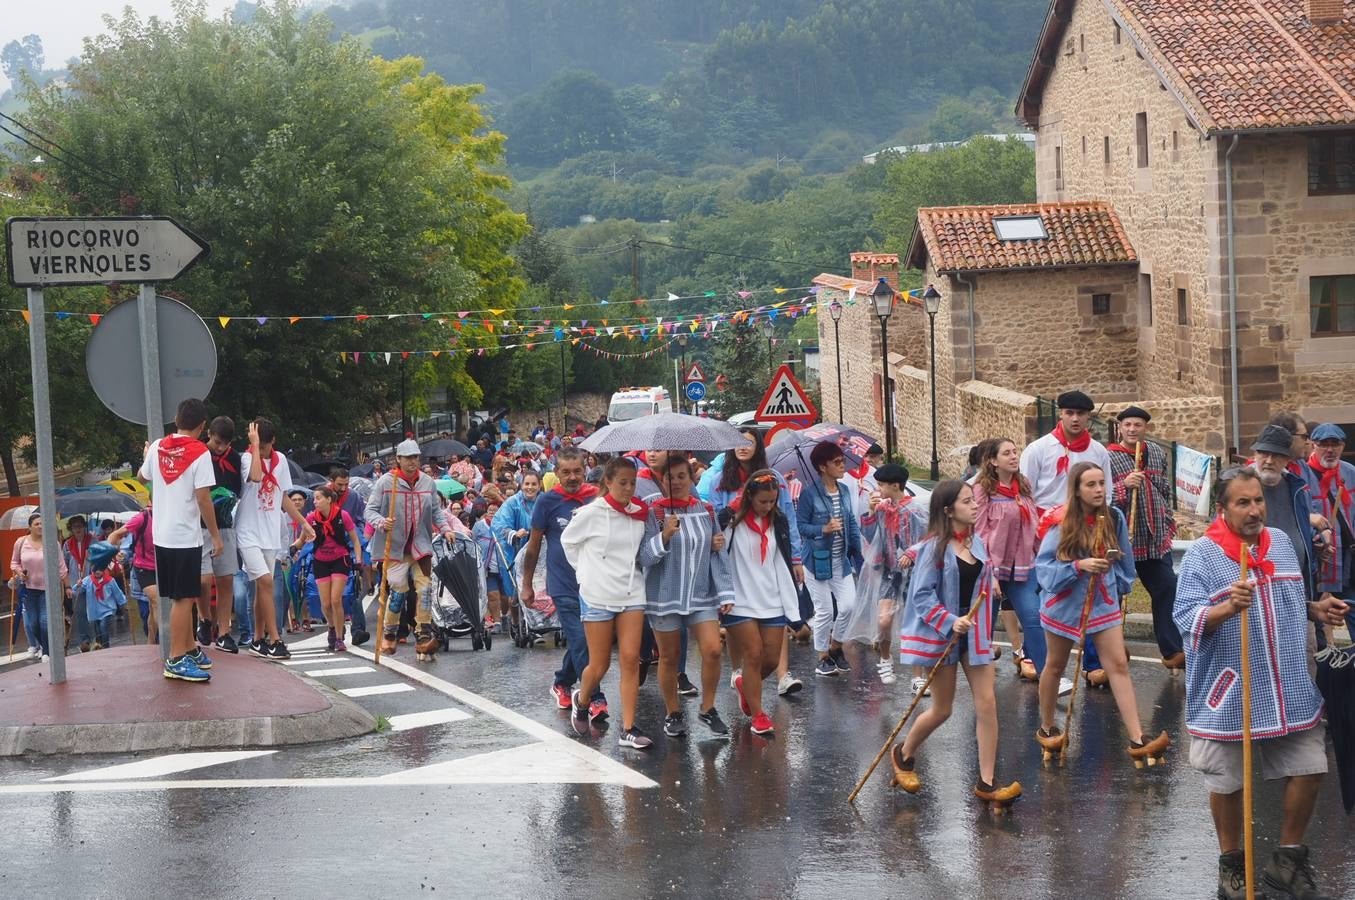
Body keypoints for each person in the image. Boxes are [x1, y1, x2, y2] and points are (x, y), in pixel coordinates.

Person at [1175, 467, 1348, 900]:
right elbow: (1186, 619)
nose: (1255, 510)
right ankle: (1231, 864)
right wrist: (1225, 609)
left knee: (1311, 767)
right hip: (1230, 688)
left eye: (1258, 501)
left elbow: (1289, 599)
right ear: (1222, 508)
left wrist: (1315, 609)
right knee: (1227, 779)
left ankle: (1287, 861)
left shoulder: (1282, 543)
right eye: (1243, 503)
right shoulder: (1202, 555)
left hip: (1288, 682)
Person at [889, 480, 1021, 807]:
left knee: (987, 704)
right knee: (942, 710)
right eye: (966, 502)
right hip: (942, 636)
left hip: (974, 635)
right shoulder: (933, 548)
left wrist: (989, 583)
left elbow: (979, 581)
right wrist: (950, 620)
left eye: (973, 500)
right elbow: (921, 595)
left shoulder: (978, 544)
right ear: (948, 511)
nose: (975, 505)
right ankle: (903, 755)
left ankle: (987, 782)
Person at [1033, 462, 1168, 766]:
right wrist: (1078, 567)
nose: (1098, 490)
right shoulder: (1061, 522)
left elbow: (1124, 560)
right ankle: (1047, 727)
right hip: (1065, 604)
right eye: (1090, 485)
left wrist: (1118, 585)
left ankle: (1137, 738)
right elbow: (1044, 570)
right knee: (1055, 666)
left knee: (1118, 664)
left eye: (1101, 484)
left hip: (1102, 601)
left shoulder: (1114, 517)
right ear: (1077, 490)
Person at [698, 427, 804, 696]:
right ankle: (737, 669)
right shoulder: (720, 479)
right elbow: (713, 517)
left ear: (759, 446)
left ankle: (782, 674)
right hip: (736, 554)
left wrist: (795, 558)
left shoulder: (775, 478)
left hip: (768, 554)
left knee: (776, 611)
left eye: (749, 443)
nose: (743, 447)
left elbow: (787, 518)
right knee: (738, 618)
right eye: (738, 443)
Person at [637, 454, 734, 740]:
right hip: (664, 595)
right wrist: (664, 536)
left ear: (692, 478)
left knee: (713, 650)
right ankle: (673, 712)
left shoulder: (706, 510)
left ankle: (708, 707)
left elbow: (718, 552)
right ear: (662, 481)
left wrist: (725, 591)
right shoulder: (653, 513)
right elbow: (644, 558)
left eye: (682, 476)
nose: (677, 482)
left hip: (700, 593)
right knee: (669, 656)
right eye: (670, 477)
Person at [562, 457, 651, 749]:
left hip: (631, 592)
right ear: (608, 483)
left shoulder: (640, 513)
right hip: (598, 594)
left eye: (632, 483)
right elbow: (569, 542)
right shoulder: (590, 513)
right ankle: (582, 698)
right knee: (598, 665)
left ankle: (628, 729)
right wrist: (585, 573)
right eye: (622, 483)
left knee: (630, 659)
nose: (628, 489)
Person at [137, 398, 223, 682]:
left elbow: (141, 477)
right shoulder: (200, 453)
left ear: (176, 419)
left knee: (184, 595)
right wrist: (215, 535)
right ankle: (175, 659)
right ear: (202, 426)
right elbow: (203, 498)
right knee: (184, 599)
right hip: (186, 536)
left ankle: (188, 648)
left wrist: (147, 454)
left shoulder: (159, 446)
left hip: (162, 535)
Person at [521, 447, 606, 718]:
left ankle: (562, 682)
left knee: (581, 641)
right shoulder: (547, 501)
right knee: (581, 639)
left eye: (577, 471)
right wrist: (527, 584)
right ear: (556, 473)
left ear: (585, 470)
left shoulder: (595, 498)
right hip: (562, 583)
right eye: (566, 472)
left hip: (592, 582)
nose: (572, 477)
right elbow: (533, 546)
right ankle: (594, 697)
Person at [719, 470, 801, 735]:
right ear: (749, 497)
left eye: (772, 501)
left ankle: (746, 684)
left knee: (769, 659)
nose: (768, 507)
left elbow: (784, 556)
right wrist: (722, 593)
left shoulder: (778, 521)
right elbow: (714, 544)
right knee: (753, 654)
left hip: (772, 597)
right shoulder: (731, 520)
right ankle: (759, 715)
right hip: (739, 599)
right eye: (763, 501)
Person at [366, 439, 460, 661]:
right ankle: (389, 633)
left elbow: (437, 512)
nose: (412, 461)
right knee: (398, 591)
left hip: (420, 545)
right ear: (398, 459)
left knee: (425, 589)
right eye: (408, 457)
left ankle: (423, 636)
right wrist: (381, 522)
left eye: (416, 457)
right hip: (396, 547)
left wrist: (446, 529)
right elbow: (369, 511)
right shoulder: (385, 482)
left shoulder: (428, 483)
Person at [1107, 407, 1184, 670]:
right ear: (1120, 427)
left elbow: (1164, 489)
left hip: (1154, 537)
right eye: (1127, 424)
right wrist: (1123, 486)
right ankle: (1112, 650)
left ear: (1145, 428)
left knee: (1167, 588)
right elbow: (1105, 496)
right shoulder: (1109, 457)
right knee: (1115, 594)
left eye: (1137, 425)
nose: (1132, 429)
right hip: (1124, 538)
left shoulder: (1156, 453)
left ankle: (1172, 650)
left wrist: (1166, 516)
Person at [236, 418, 312, 661]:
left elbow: (282, 497)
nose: (262, 451)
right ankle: (275, 639)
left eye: (265, 447)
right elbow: (257, 477)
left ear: (273, 442)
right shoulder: (247, 459)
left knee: (263, 587)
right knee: (267, 582)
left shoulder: (280, 462)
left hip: (269, 534)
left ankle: (257, 639)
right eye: (259, 446)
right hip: (248, 532)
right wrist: (255, 446)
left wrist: (303, 521)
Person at [973, 438, 1045, 685]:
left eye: (1015, 452)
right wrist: (989, 573)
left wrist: (1043, 556)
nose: (1014, 457)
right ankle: (980, 678)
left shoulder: (1023, 485)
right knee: (984, 627)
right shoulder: (982, 490)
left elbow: (1034, 524)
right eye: (1007, 453)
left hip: (1023, 564)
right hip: (991, 568)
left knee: (1034, 618)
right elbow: (979, 534)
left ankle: (1046, 674)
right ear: (993, 461)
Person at [849, 463, 928, 686]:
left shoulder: (916, 510)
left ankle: (917, 676)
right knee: (884, 620)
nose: (879, 489)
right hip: (889, 572)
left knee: (915, 623)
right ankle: (885, 658)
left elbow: (930, 537)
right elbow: (871, 537)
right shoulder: (882, 509)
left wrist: (912, 553)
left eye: (882, 485)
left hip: (914, 574)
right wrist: (872, 513)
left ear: (895, 485)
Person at [797, 441, 863, 678]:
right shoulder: (809, 494)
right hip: (816, 560)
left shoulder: (844, 490)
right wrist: (822, 529)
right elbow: (801, 526)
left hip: (840, 560)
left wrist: (858, 554)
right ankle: (822, 657)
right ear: (822, 466)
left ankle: (836, 647)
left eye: (842, 460)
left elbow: (852, 523)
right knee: (825, 610)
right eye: (837, 462)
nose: (842, 464)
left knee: (848, 606)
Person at [1251, 425, 1321, 604]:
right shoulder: (1239, 486)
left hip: (1294, 583)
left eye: (1276, 455)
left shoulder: (1297, 487)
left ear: (1287, 459)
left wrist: (1316, 539)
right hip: (1254, 583)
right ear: (1255, 455)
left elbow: (1298, 527)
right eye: (1263, 453)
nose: (1268, 460)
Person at [1019, 390, 1113, 512]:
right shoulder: (1037, 449)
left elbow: (1107, 491)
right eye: (1069, 413)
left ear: (1088, 415)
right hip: (1048, 523)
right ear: (1061, 414)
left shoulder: (1099, 451)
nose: (1075, 419)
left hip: (1088, 522)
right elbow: (1025, 492)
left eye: (1080, 413)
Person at [298, 486, 362, 652]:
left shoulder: (343, 515)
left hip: (340, 559)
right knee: (325, 604)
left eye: (318, 498)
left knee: (335, 600)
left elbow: (355, 541)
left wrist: (359, 560)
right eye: (314, 498)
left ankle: (340, 638)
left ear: (328, 499)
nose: (315, 501)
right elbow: (301, 540)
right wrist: (293, 548)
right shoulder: (311, 518)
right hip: (320, 561)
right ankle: (332, 628)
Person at [201, 415, 243, 652]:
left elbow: (237, 488)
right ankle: (205, 619)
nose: (220, 448)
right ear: (209, 434)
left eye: (225, 444)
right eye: (217, 442)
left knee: (226, 578)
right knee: (203, 579)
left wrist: (225, 496)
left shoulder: (234, 458)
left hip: (225, 522)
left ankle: (225, 630)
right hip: (200, 525)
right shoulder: (199, 454)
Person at [1304, 423, 1353, 621]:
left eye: (1336, 444)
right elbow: (1298, 517)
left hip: (1351, 558)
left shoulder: (1351, 473)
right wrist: (1315, 539)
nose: (1330, 449)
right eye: (1324, 444)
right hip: (1322, 561)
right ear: (1313, 445)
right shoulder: (1302, 477)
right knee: (1322, 619)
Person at [8, 512, 67, 660]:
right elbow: (14, 563)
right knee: (32, 623)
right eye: (36, 524)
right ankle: (44, 646)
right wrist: (20, 573)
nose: (40, 526)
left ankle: (47, 652)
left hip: (47, 589)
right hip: (28, 588)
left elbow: (62, 567)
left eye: (42, 523)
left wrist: (66, 586)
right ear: (30, 527)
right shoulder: (20, 542)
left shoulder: (53, 543)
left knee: (44, 621)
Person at [328, 467, 370, 644]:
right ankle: (335, 630)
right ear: (332, 481)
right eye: (339, 484)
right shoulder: (323, 495)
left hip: (350, 546)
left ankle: (358, 630)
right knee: (331, 596)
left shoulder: (354, 497)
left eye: (346, 484)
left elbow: (360, 519)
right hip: (328, 548)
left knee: (352, 589)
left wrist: (359, 535)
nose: (343, 488)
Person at [492, 469, 541, 605]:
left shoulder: (544, 501)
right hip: (517, 552)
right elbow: (499, 524)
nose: (530, 488)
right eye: (527, 484)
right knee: (516, 594)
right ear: (521, 484)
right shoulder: (512, 503)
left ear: (539, 485)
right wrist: (513, 534)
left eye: (533, 484)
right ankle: (515, 623)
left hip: (541, 552)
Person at [109, 507, 159, 642]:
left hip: (165, 568)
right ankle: (161, 641)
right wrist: (118, 554)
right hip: (143, 569)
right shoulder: (142, 519)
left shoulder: (172, 516)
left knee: (156, 607)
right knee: (150, 608)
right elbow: (122, 542)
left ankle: (154, 640)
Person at [74, 541, 125, 649]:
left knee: (103, 627)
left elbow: (117, 592)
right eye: (95, 569)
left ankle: (106, 647)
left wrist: (122, 603)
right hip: (94, 610)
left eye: (100, 569)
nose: (97, 572)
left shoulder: (110, 581)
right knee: (97, 630)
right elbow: (78, 591)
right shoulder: (88, 580)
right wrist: (78, 585)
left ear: (104, 569)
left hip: (107, 609)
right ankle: (99, 646)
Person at [62, 515, 94, 653]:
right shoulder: (67, 544)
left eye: (80, 525)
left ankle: (96, 639)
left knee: (93, 611)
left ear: (84, 526)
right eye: (75, 526)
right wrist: (67, 586)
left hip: (92, 582)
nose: (78, 528)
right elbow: (64, 565)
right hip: (76, 583)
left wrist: (90, 557)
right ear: (71, 529)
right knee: (80, 612)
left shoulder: (93, 541)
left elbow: (100, 558)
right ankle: (84, 641)